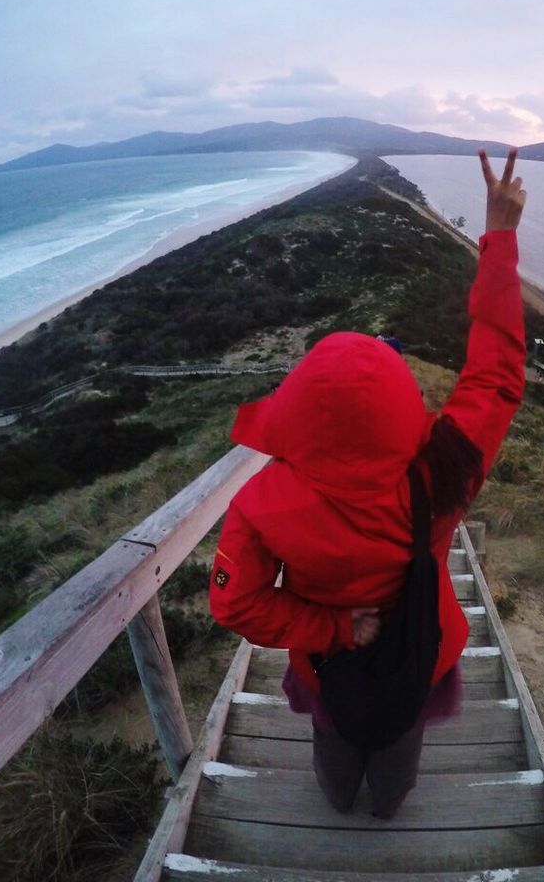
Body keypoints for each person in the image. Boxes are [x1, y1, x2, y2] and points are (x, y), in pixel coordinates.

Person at [209, 147, 527, 817]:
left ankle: (337, 794)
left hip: (327, 665)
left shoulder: (259, 505)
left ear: (294, 412)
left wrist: (333, 628)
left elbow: (235, 605)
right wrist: (499, 239)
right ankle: (390, 802)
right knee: (400, 746)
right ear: (405, 408)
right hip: (420, 653)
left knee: (334, 740)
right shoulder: (442, 478)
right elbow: (495, 373)